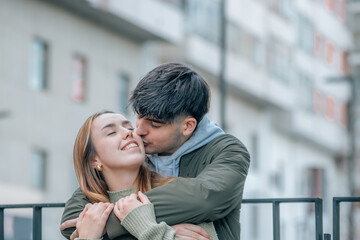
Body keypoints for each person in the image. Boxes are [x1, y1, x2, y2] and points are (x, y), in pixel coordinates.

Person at [61, 62, 250, 240]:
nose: (137, 131)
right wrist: (163, 232)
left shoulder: (228, 151)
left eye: (154, 124)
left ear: (187, 126)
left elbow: (204, 198)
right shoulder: (137, 153)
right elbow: (72, 223)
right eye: (139, 117)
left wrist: (104, 223)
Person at [70, 110, 218, 240]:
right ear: (93, 159)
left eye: (129, 128)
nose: (129, 132)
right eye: (111, 132)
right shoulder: (90, 218)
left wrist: (149, 229)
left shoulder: (180, 192)